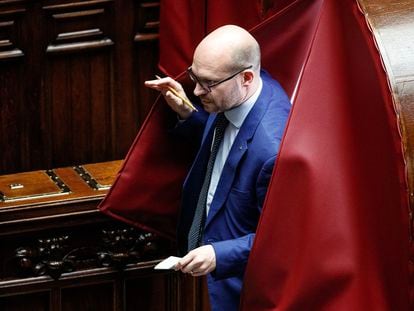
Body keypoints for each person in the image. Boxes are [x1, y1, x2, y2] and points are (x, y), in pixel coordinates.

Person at [145, 24, 291, 311]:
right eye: (194, 76)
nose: (197, 90)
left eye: (208, 84)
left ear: (247, 77)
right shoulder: (234, 96)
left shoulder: (273, 151)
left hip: (237, 289)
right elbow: (223, 148)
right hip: (201, 273)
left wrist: (218, 254)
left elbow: (284, 240)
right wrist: (189, 114)